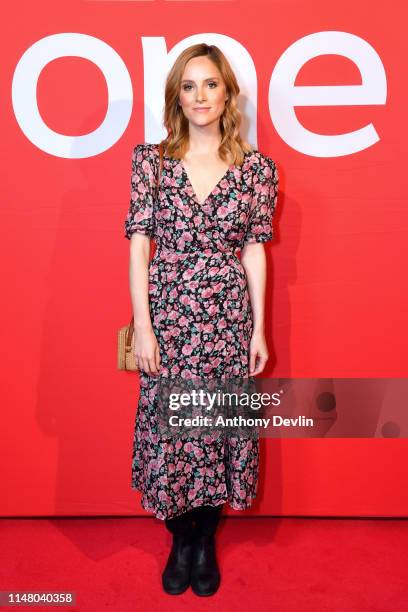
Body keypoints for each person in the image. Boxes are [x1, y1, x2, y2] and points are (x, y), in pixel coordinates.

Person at [124, 43, 279, 596]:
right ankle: (178, 537)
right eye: (188, 86)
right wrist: (143, 326)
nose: (199, 97)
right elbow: (139, 245)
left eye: (210, 84)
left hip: (226, 319)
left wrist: (258, 329)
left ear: (227, 92)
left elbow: (255, 250)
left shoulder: (256, 169)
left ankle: (204, 538)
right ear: (176, 96)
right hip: (167, 315)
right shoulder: (153, 162)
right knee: (172, 430)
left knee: (215, 429)